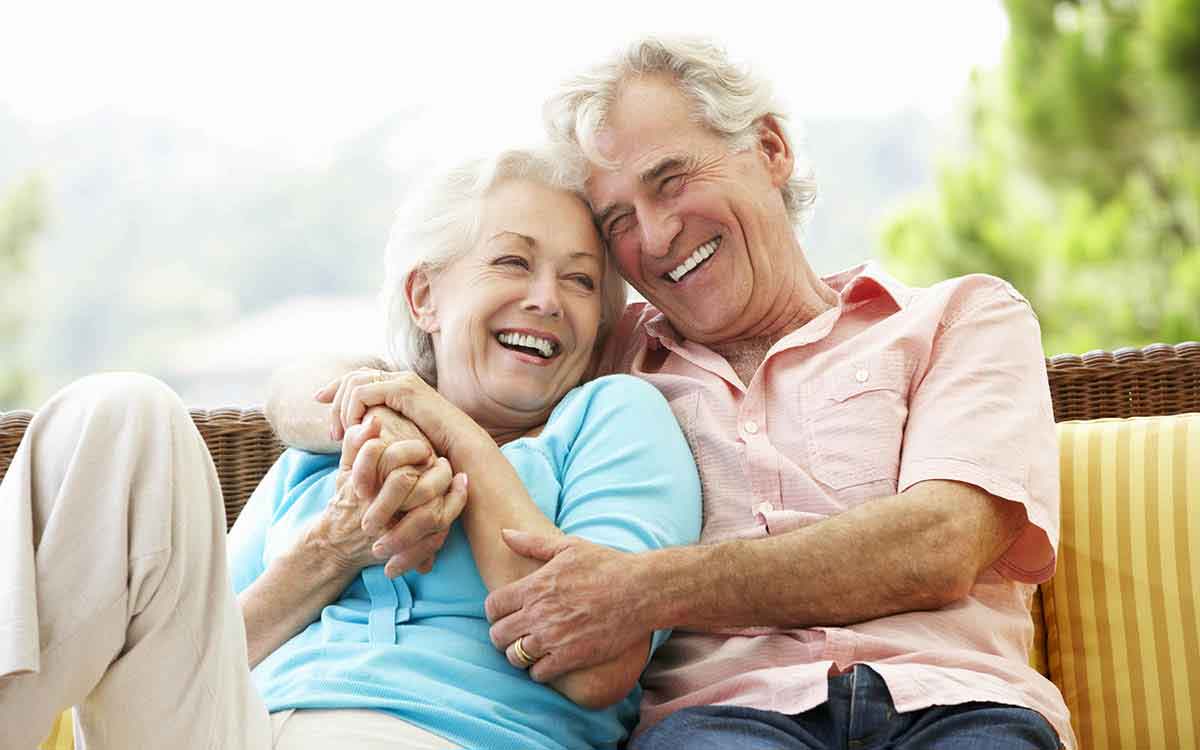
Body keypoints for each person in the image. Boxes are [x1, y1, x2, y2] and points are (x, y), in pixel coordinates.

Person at [274, 37, 1075, 750]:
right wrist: (379, 412)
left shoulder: (960, 318)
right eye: (620, 217)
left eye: (671, 180)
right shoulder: (609, 356)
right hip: (726, 721)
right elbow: (354, 374)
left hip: (955, 705)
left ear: (769, 149)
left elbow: (938, 545)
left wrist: (640, 590)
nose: (655, 237)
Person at [0, 148, 701, 750]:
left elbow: (595, 668)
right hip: (234, 728)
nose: (547, 299)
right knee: (121, 411)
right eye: (513, 261)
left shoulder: (612, 419)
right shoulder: (333, 446)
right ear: (425, 295)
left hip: (441, 735)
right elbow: (196, 656)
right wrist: (334, 547)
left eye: (580, 280)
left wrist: (447, 432)